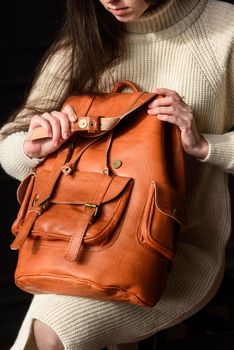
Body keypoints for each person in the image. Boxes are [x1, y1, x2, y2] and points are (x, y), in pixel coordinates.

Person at [0, 0, 233, 349]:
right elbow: (9, 146)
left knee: (50, 330)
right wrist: (35, 147)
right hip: (75, 242)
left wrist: (204, 145)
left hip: (175, 251)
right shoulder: (85, 38)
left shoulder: (224, 27)